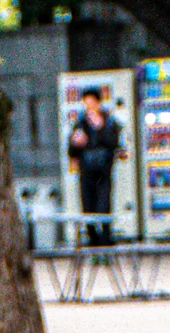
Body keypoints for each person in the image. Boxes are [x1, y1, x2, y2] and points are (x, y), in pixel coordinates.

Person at [67, 87, 122, 246]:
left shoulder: (110, 122)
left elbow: (114, 143)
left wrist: (100, 128)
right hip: (86, 171)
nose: (89, 107)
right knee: (87, 207)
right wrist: (75, 143)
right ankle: (93, 241)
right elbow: (71, 151)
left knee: (104, 206)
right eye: (86, 103)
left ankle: (105, 240)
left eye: (92, 103)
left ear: (98, 103)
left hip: (104, 171)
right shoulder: (80, 123)